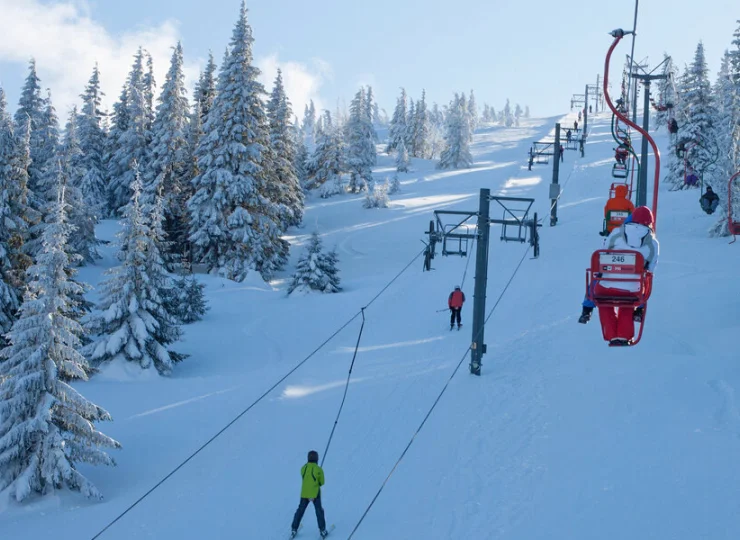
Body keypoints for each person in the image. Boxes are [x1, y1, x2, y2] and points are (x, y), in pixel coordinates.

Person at [579, 206, 659, 346]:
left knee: (604, 301)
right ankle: (623, 335)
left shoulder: (616, 233)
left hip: (606, 286)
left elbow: (603, 254)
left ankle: (609, 333)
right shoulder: (653, 243)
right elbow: (651, 269)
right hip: (633, 290)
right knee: (628, 302)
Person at [291, 450, 329, 538]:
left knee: (300, 510)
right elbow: (322, 482)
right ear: (317, 459)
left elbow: (303, 475)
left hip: (304, 494)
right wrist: (317, 482)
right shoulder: (318, 469)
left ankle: (294, 528)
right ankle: (322, 530)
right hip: (315, 493)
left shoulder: (303, 468)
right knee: (319, 510)